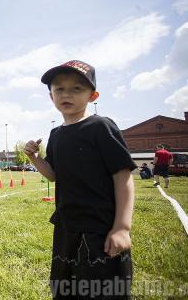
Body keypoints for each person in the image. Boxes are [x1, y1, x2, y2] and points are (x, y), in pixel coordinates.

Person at [24, 60, 136, 299]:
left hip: (100, 229)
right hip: (66, 227)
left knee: (102, 290)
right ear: (51, 96)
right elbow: (54, 175)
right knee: (65, 288)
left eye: (77, 88)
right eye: (59, 89)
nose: (67, 94)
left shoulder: (101, 126)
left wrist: (122, 228)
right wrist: (35, 158)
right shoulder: (56, 134)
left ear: (92, 95)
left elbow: (123, 177)